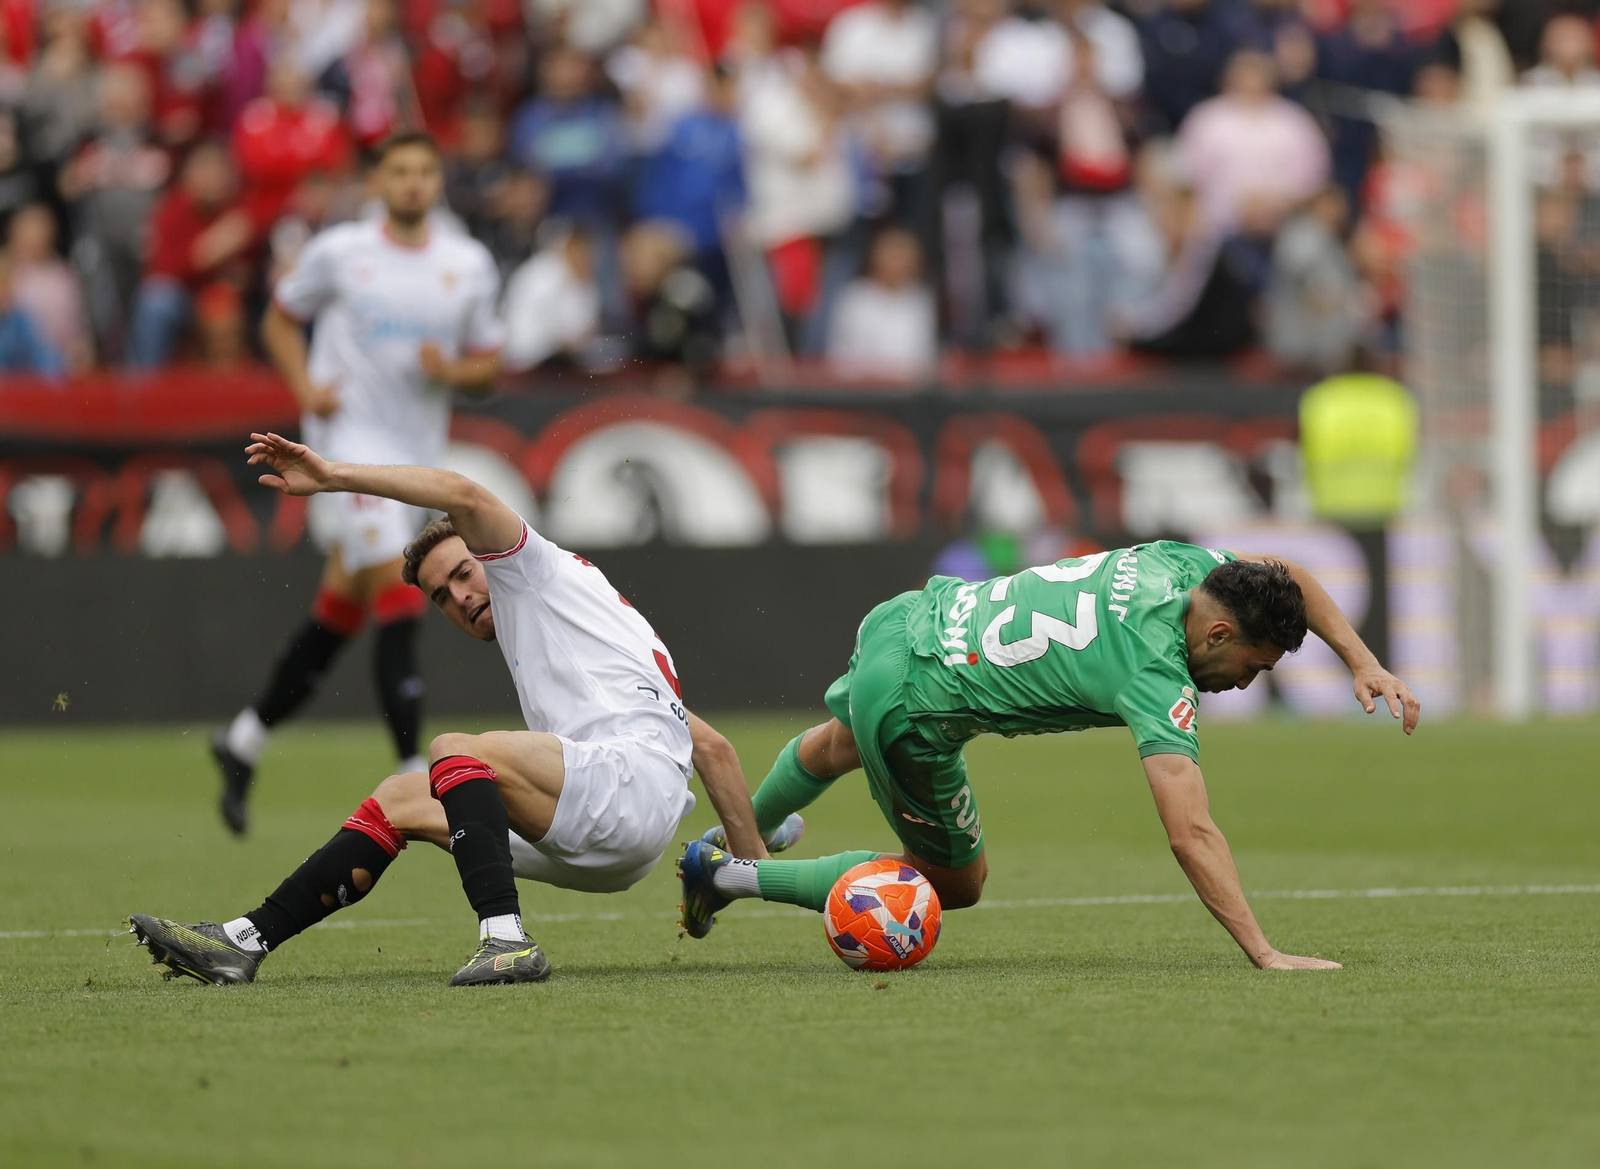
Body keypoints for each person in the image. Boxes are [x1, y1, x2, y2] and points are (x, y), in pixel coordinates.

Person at [130, 433, 801, 986]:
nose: (459, 597)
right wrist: (748, 867)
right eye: (440, 597)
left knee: (455, 749)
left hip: (623, 792)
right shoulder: (591, 628)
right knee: (401, 796)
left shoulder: (528, 567)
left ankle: (504, 939)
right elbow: (711, 747)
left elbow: (464, 493)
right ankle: (245, 940)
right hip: (620, 832)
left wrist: (332, 475)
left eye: (461, 573)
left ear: (486, 554)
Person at [680, 543, 1421, 970]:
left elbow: (1285, 574)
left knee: (839, 742)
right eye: (1253, 668)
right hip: (916, 704)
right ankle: (728, 872)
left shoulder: (1183, 563)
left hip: (907, 620)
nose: (1241, 684)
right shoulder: (1155, 671)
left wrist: (1361, 659)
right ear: (1221, 635)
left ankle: (745, 828)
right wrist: (1263, 950)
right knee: (955, 882)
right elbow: (1189, 830)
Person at [209, 131, 502, 835]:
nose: (412, 183)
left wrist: (451, 371)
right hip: (346, 451)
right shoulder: (340, 252)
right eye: (399, 171)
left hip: (416, 458)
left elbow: (488, 369)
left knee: (343, 605)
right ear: (378, 181)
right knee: (403, 588)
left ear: (437, 181)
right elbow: (280, 319)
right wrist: (307, 385)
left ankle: (243, 739)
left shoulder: (468, 264)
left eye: (424, 171)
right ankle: (413, 773)